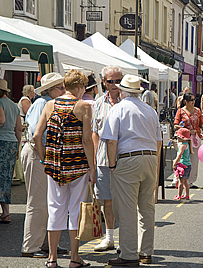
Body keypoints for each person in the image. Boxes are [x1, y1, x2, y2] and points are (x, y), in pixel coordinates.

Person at [33, 69, 95, 268]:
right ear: (79, 86)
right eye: (84, 86)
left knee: (55, 209)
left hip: (54, 167)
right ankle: (74, 258)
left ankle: (51, 258)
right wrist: (92, 167)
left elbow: (36, 136)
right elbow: (87, 140)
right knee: (75, 210)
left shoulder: (50, 104)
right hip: (77, 165)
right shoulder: (83, 106)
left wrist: (45, 158)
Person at [101, 74, 162, 266]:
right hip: (150, 157)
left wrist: (112, 166)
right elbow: (159, 141)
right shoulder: (150, 110)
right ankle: (146, 252)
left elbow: (111, 141)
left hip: (128, 159)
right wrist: (156, 163)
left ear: (121, 90)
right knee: (147, 208)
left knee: (127, 209)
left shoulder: (118, 109)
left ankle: (128, 255)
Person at [21, 73, 68, 258]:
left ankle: (45, 243)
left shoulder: (47, 103)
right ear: (51, 90)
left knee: (47, 202)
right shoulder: (43, 103)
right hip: (38, 154)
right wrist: (44, 157)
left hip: (42, 155)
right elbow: (36, 134)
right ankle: (31, 246)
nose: (63, 91)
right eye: (60, 88)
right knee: (38, 202)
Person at [91, 65, 122, 252]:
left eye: (117, 81)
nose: (114, 85)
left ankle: (124, 239)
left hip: (124, 159)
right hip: (102, 159)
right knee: (107, 200)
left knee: (125, 201)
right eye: (110, 81)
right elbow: (94, 133)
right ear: (104, 82)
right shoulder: (98, 102)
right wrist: (93, 160)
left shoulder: (127, 102)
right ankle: (109, 238)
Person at [166, 93, 203, 189]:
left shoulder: (197, 111)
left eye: (194, 99)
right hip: (183, 139)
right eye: (191, 100)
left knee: (193, 160)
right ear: (186, 101)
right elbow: (175, 125)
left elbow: (201, 123)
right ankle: (177, 180)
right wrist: (187, 131)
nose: (193, 101)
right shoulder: (180, 111)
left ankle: (190, 181)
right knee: (180, 159)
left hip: (195, 139)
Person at [0, 78, 21, 224]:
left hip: (1, 141)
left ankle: (5, 212)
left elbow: (1, 119)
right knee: (6, 177)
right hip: (12, 142)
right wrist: (18, 146)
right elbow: (19, 128)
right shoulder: (14, 105)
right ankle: (6, 212)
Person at [172, 128, 192, 201]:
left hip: (182, 166)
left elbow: (179, 154)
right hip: (188, 165)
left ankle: (179, 195)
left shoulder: (183, 145)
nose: (177, 138)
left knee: (180, 182)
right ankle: (187, 195)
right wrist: (174, 143)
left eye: (178, 137)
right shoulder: (187, 144)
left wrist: (175, 163)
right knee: (186, 182)